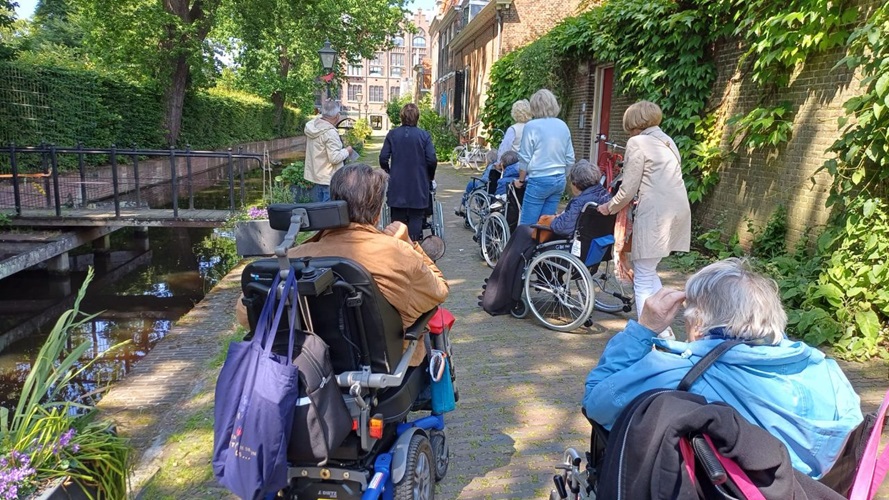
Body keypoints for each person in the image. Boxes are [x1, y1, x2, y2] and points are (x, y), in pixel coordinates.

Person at [583, 258, 863, 479]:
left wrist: (643, 329)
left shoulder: (677, 372)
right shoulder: (826, 369)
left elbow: (596, 402)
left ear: (701, 323)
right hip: (808, 489)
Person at [236, 163, 449, 366]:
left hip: (306, 367)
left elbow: (246, 315)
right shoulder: (397, 253)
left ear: (333, 201)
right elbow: (439, 290)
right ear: (376, 214)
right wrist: (411, 245)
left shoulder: (290, 260)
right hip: (383, 371)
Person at [596, 100, 690, 325]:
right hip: (677, 210)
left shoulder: (638, 142)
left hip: (655, 213)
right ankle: (663, 328)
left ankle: (647, 333)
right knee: (648, 270)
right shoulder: (667, 140)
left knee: (643, 277)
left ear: (634, 123)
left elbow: (628, 189)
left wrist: (609, 207)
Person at [480, 160, 611, 316]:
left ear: (576, 184)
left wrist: (554, 218)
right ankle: (499, 283)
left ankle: (499, 289)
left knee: (522, 233)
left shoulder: (581, 201)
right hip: (594, 247)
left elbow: (562, 227)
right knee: (524, 233)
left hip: (571, 247)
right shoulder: (604, 195)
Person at [380, 103, 438, 241]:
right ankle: (413, 246)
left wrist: (388, 172)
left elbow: (383, 157)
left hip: (397, 185)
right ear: (417, 117)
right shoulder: (424, 136)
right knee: (417, 216)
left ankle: (398, 249)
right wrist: (429, 176)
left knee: (397, 218)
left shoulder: (392, 135)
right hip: (418, 185)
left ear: (401, 117)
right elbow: (432, 159)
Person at [516, 89, 575, 226]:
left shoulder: (531, 126)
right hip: (559, 180)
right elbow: (570, 158)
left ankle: (525, 247)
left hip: (539, 180)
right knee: (546, 223)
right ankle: (542, 247)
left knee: (527, 225)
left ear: (534, 106)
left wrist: (521, 180)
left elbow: (524, 157)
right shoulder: (562, 125)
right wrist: (563, 175)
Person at [303, 100, 354, 202]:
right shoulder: (330, 133)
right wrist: (347, 151)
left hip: (317, 176)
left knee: (319, 211)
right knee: (329, 212)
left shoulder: (313, 126)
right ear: (337, 116)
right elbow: (334, 158)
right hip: (329, 178)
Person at [456, 149, 499, 216]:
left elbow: (485, 180)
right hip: (493, 188)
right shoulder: (498, 167)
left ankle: (464, 206)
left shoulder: (490, 167)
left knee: (471, 184)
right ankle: (478, 204)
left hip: (485, 186)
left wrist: (479, 181)